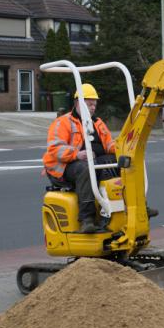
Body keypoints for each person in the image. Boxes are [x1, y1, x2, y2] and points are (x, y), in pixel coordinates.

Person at [43, 83, 117, 233]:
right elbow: (55, 148)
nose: (93, 107)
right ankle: (86, 219)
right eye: (90, 104)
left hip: (92, 162)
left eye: (94, 104)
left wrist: (123, 149)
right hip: (64, 168)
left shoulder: (98, 123)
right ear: (78, 103)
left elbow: (109, 144)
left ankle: (129, 208)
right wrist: (76, 154)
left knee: (120, 163)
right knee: (86, 167)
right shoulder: (63, 122)